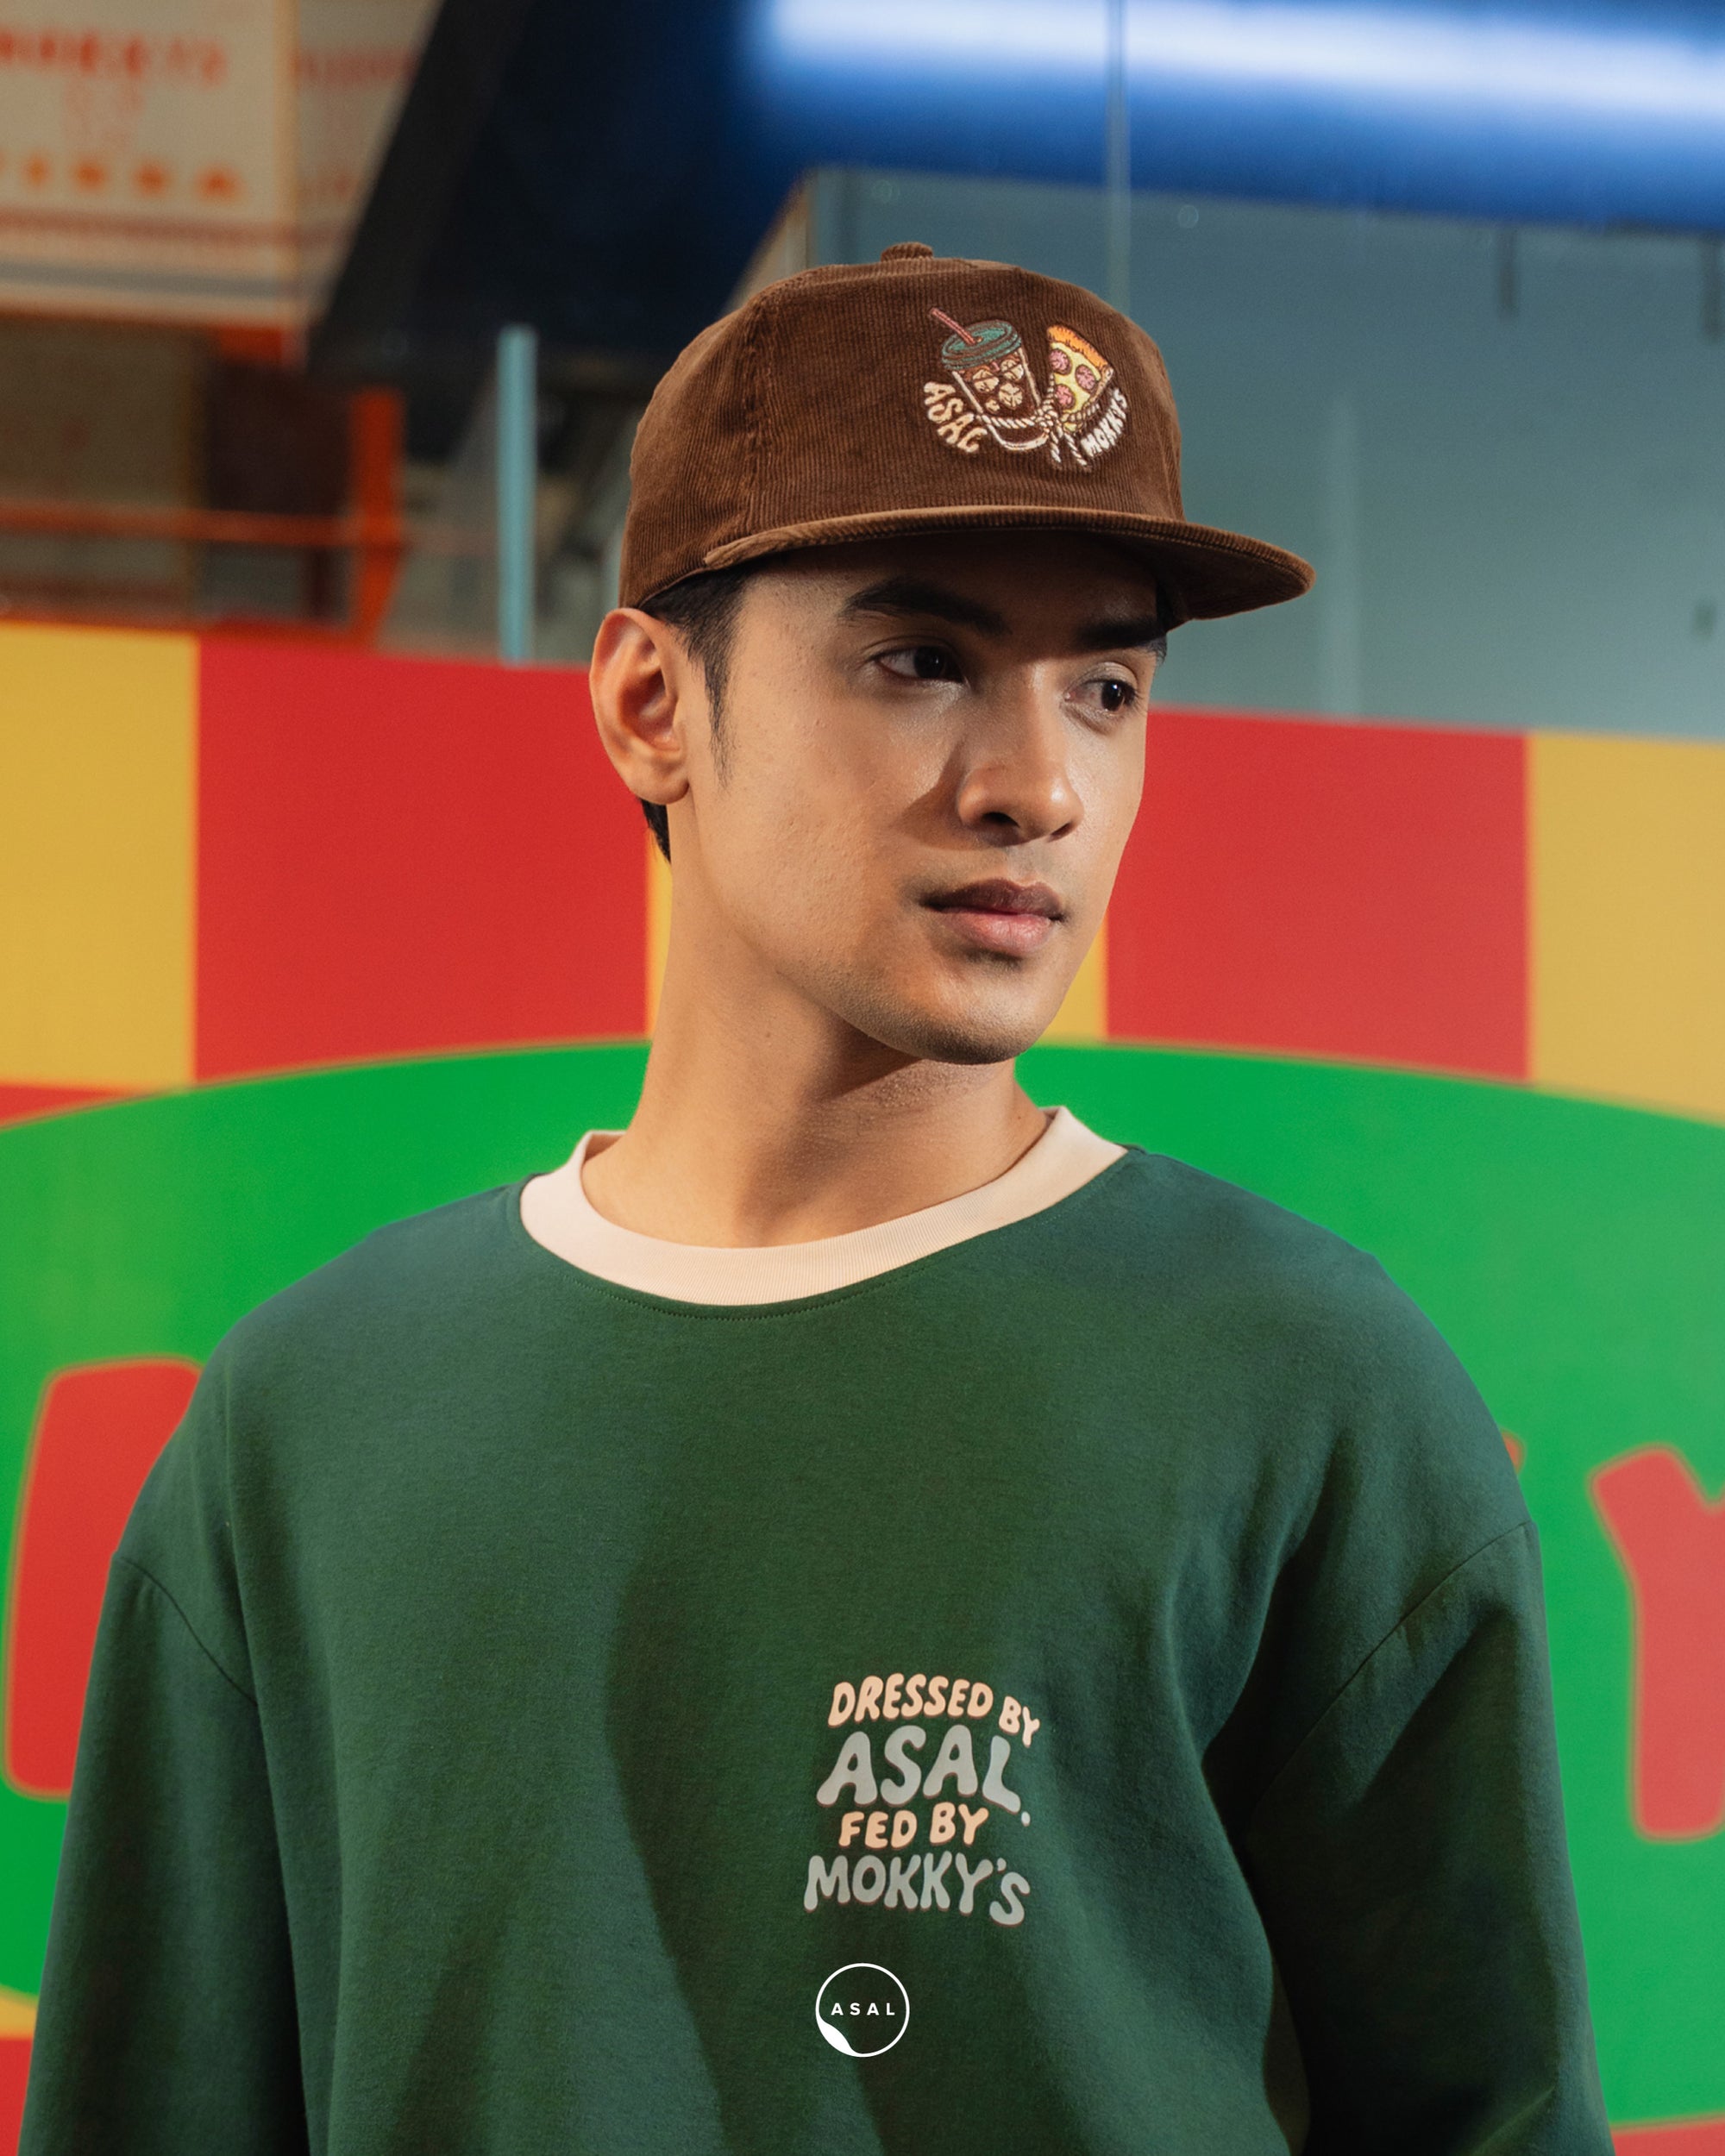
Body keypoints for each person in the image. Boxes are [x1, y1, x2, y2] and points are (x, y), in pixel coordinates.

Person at [23, 245, 1610, 2153]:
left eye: (1108, 685)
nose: (1038, 783)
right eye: (921, 660)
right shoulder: (306, 1419)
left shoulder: (1312, 1390)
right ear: (649, 701)